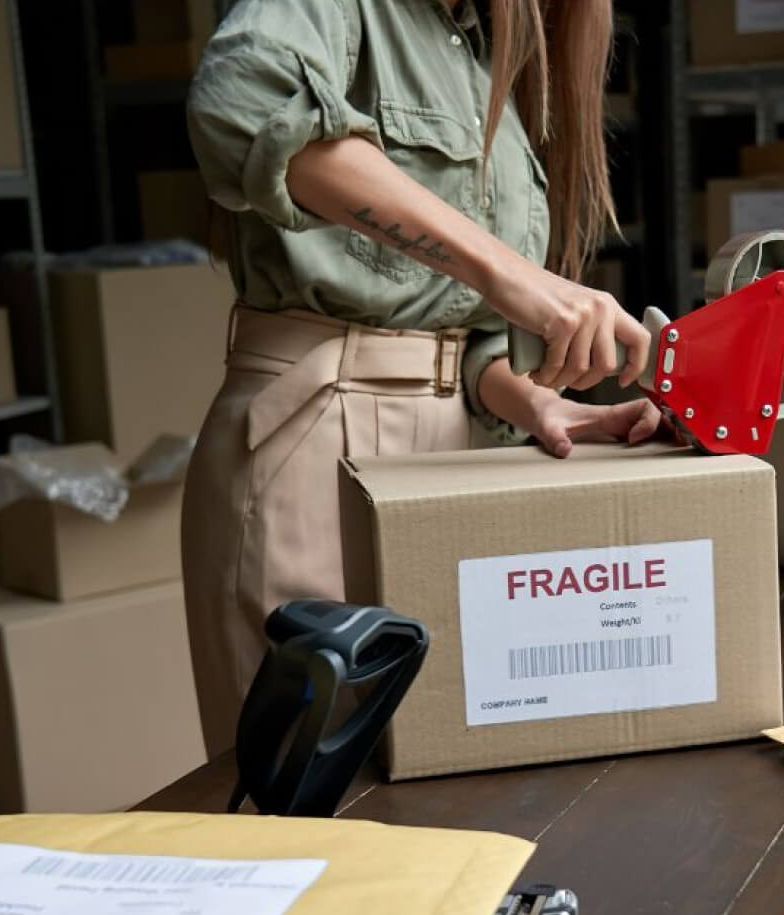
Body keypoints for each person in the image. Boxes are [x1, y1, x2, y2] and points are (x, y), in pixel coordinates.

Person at [182, 0, 661, 754]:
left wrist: (536, 403)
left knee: (452, 767)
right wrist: (507, 273)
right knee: (323, 792)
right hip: (324, 433)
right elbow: (240, 104)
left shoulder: (476, 63)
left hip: (459, 452)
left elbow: (450, 327)